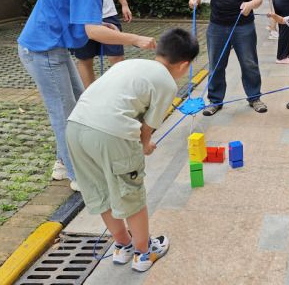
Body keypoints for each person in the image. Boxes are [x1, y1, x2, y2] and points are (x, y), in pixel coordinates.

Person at [18, 0, 156, 190]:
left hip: (52, 48)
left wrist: (100, 24)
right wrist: (135, 39)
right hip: (42, 49)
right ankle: (78, 176)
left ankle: (64, 164)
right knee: (64, 114)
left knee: (76, 108)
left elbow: (80, 17)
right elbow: (92, 32)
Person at [66, 28, 199, 273]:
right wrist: (145, 145)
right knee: (131, 194)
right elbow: (147, 129)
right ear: (184, 65)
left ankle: (122, 246)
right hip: (111, 134)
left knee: (100, 191)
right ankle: (143, 252)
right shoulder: (166, 82)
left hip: (75, 128)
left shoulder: (128, 64)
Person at [189, 0, 267, 116]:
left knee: (249, 63)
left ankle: (254, 97)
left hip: (243, 25)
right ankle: (215, 101)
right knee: (216, 64)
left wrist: (250, 4)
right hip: (217, 25)